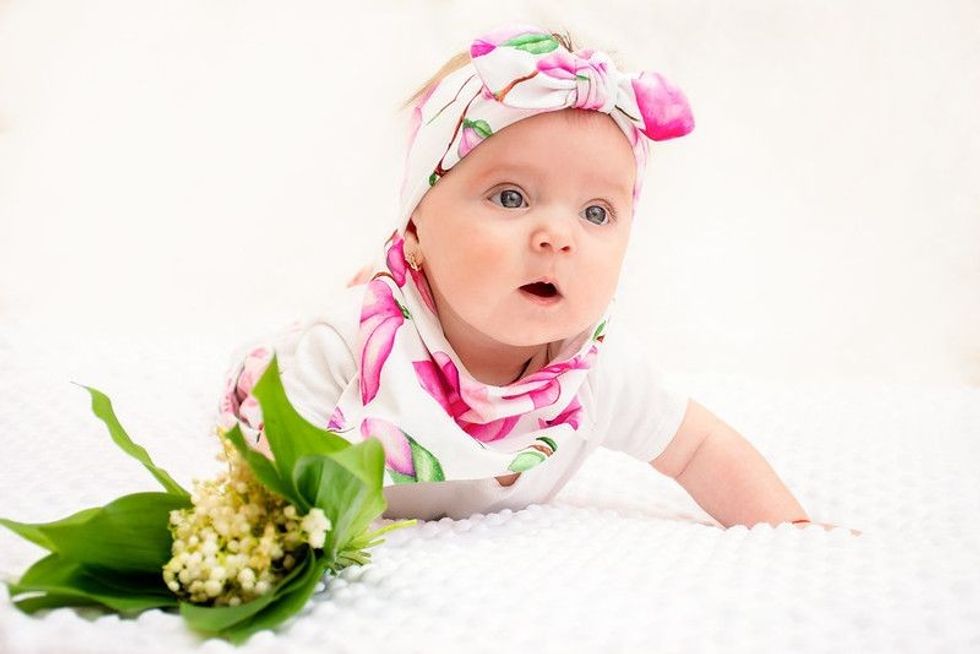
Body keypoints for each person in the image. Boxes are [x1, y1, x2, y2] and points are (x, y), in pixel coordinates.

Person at [217, 23, 856, 534]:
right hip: (305, 369)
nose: (558, 236)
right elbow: (273, 478)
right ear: (414, 227)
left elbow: (699, 449)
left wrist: (792, 530)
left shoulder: (598, 372)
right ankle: (377, 284)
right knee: (293, 352)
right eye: (511, 197)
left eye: (597, 212)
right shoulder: (350, 350)